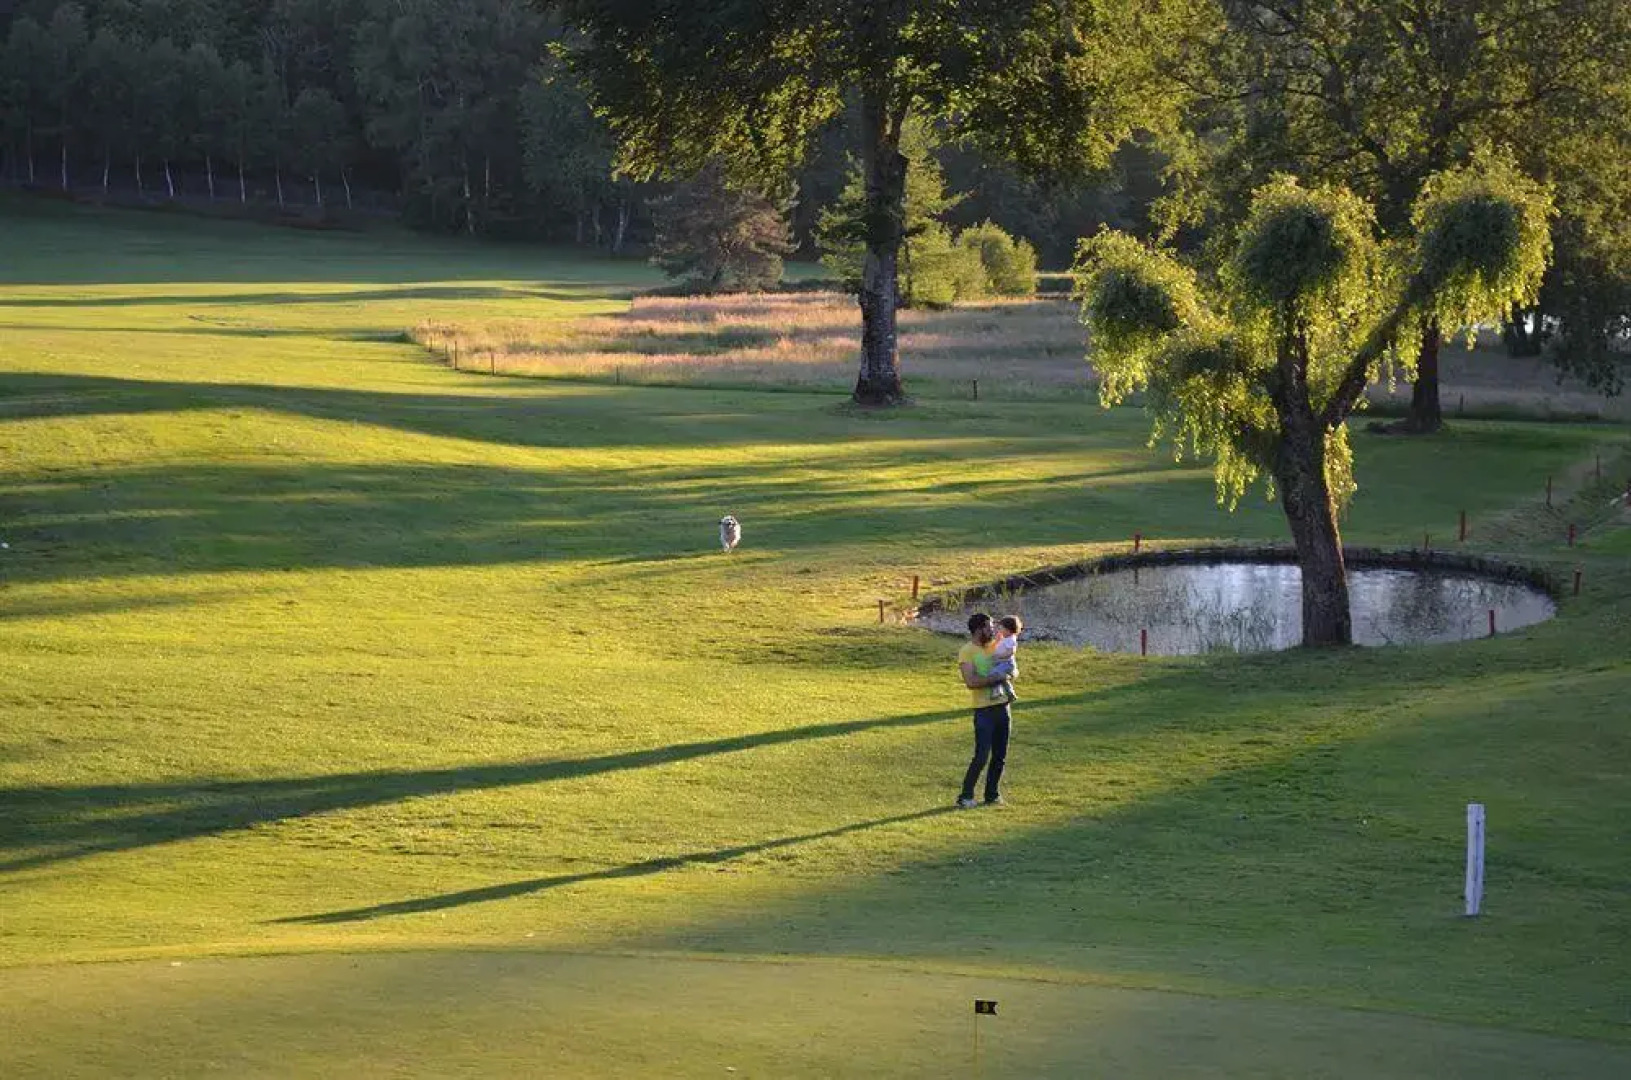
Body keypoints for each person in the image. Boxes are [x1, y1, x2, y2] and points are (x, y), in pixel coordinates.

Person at [956, 612, 1014, 808]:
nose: (993, 630)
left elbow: (1012, 668)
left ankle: (992, 795)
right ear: (979, 629)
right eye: (989, 627)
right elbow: (971, 682)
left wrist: (1012, 672)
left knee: (1000, 756)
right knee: (981, 756)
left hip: (1003, 707)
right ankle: (965, 796)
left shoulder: (996, 646)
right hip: (984, 711)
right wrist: (996, 678)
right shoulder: (967, 651)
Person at [987, 614, 1023, 704]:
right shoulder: (1005, 637)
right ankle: (1011, 694)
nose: (999, 630)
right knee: (1002, 679)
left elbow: (1011, 652)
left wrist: (999, 656)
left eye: (1001, 628)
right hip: (1001, 663)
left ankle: (997, 692)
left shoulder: (1011, 639)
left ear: (1008, 629)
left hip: (1007, 664)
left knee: (993, 674)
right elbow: (994, 646)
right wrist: (997, 640)